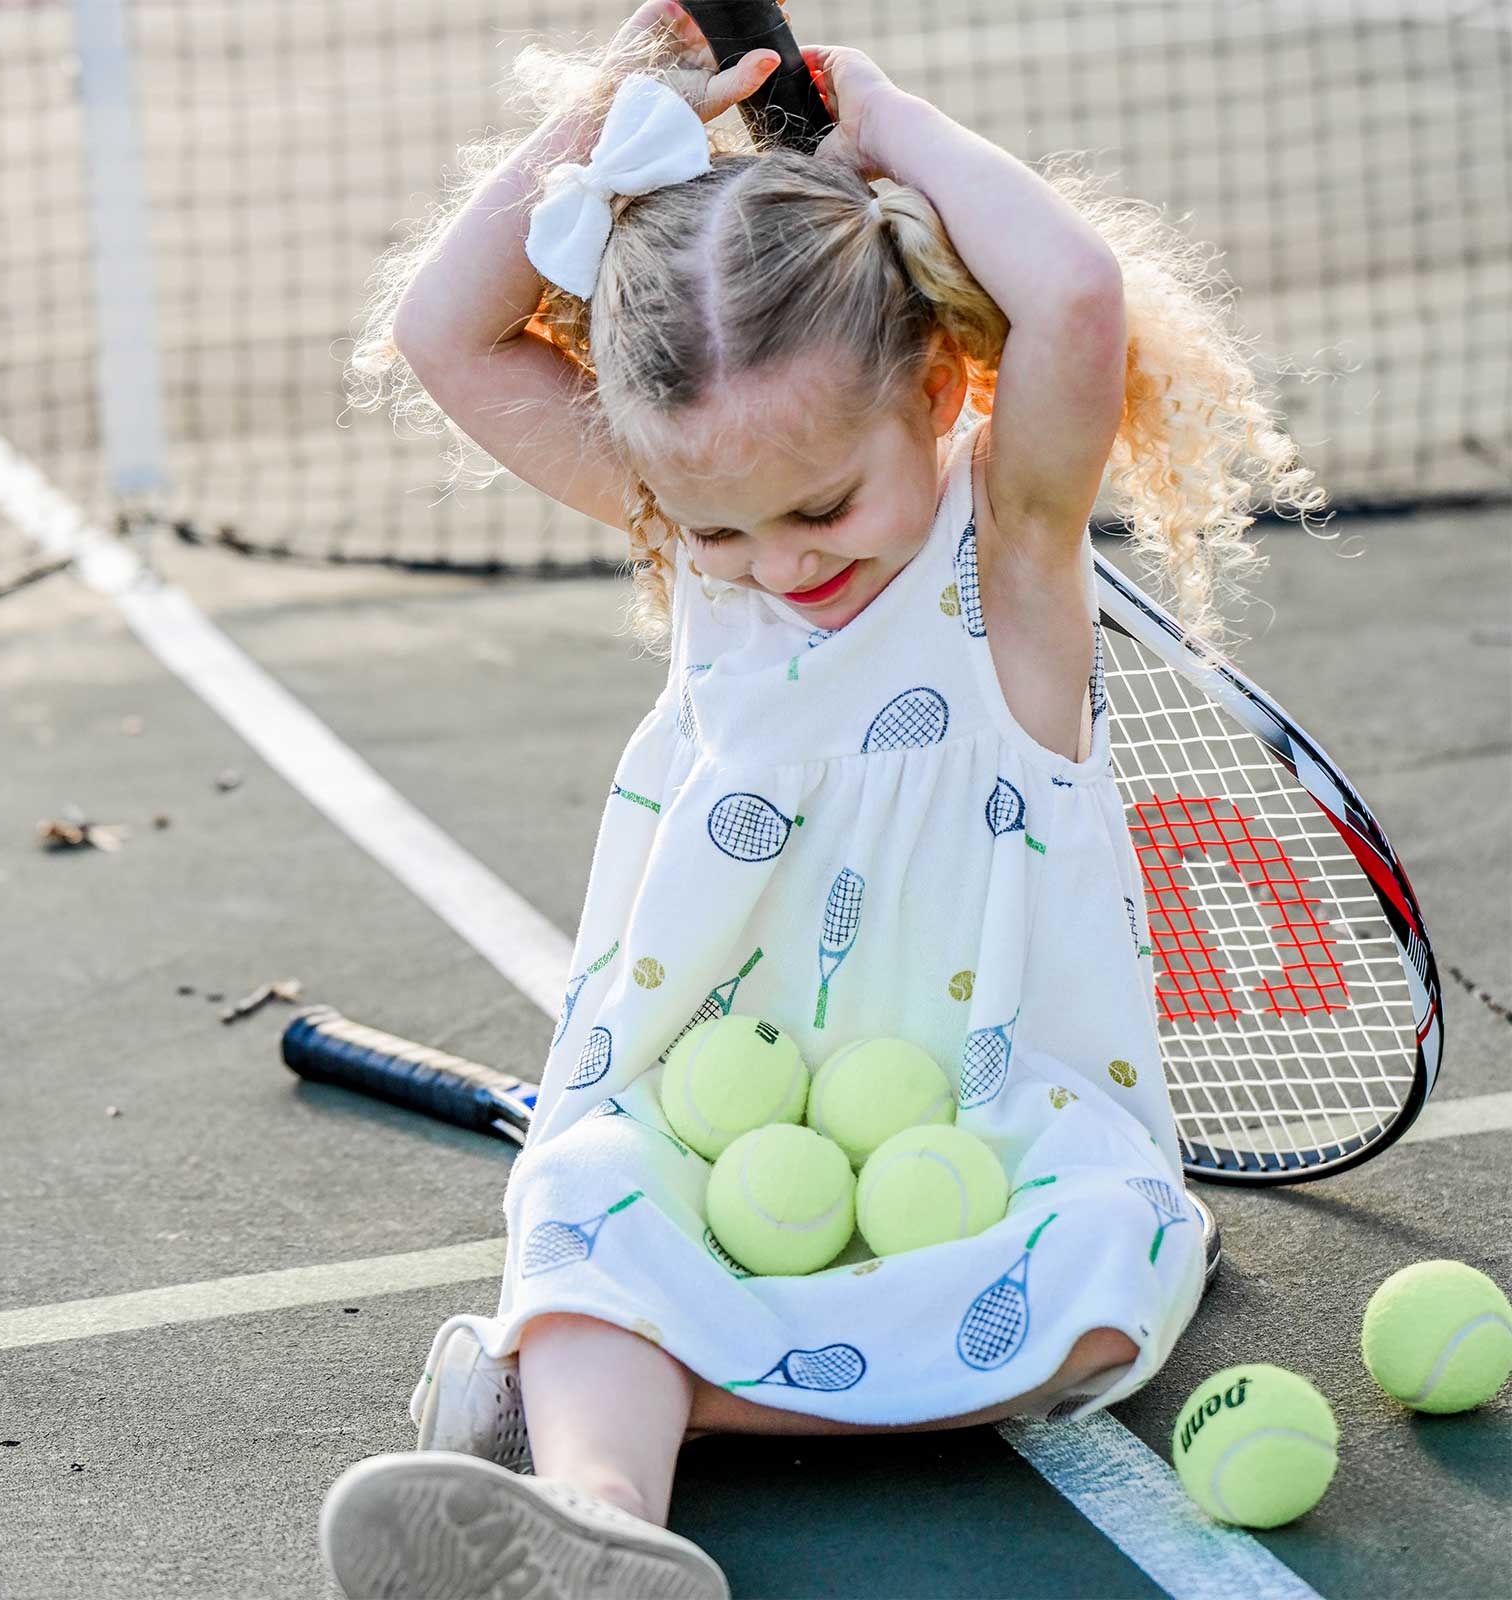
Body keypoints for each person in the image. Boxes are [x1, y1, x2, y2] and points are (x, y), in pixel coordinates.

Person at [321, 4, 1325, 1596]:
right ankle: (601, 1523)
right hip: (722, 1100)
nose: (781, 566)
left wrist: (885, 122)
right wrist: (603, 122)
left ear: (936, 391)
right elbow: (453, 335)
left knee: (1111, 1267)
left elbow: (1069, 292)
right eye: (718, 533)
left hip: (994, 1120)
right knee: (591, 1200)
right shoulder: (704, 538)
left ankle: (624, 1392)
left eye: (822, 507)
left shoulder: (1009, 556)